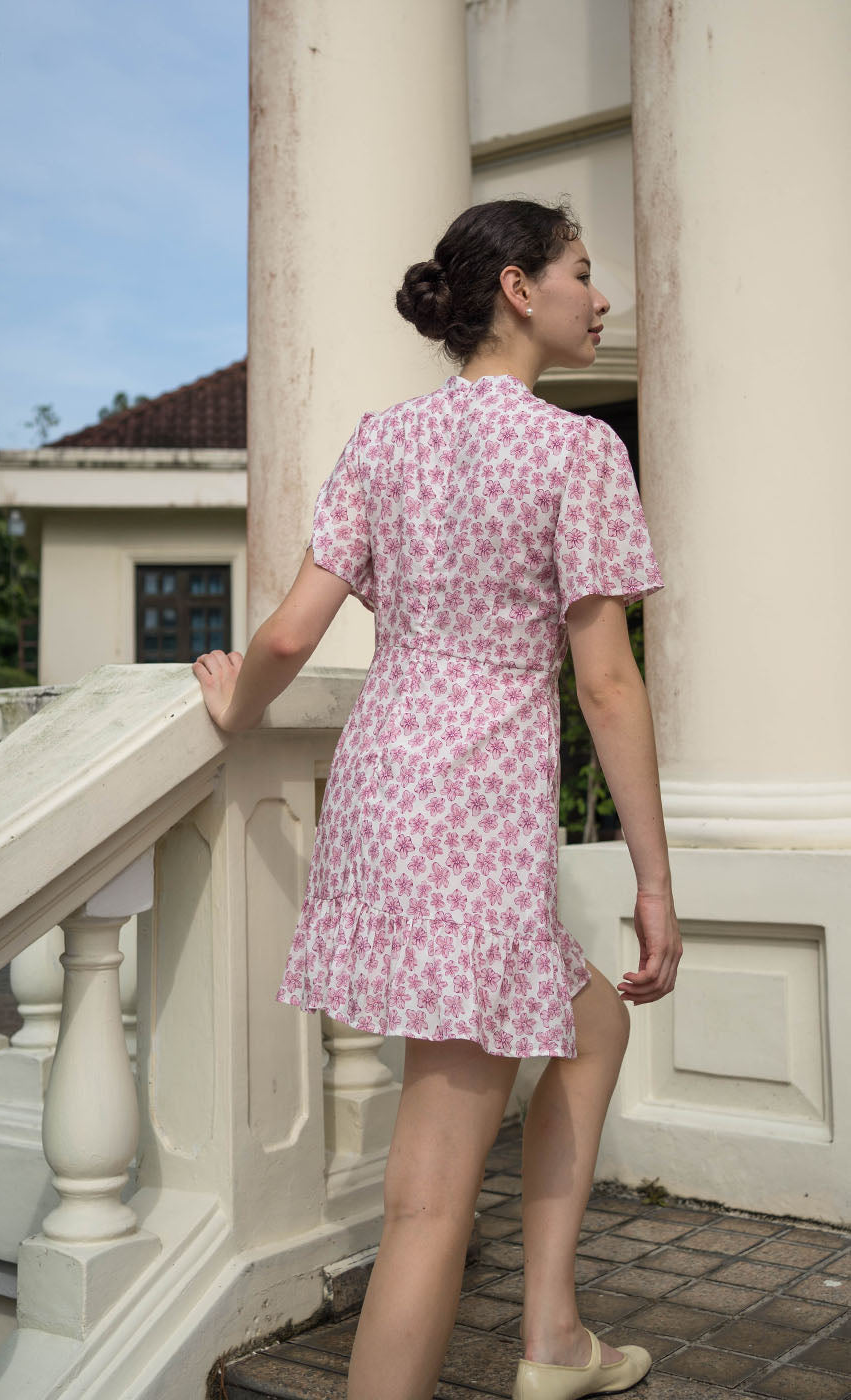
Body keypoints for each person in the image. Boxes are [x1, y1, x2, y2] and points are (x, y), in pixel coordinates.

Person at [193, 197, 682, 1400]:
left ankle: (554, 1334)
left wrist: (234, 702)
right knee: (426, 1196)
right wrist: (654, 882)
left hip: (383, 795)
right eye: (580, 271)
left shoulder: (383, 438)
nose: (598, 296)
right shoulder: (577, 451)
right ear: (518, 287)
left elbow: (295, 628)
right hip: (470, 807)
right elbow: (608, 683)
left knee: (593, 1020)